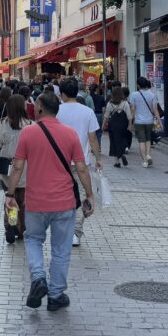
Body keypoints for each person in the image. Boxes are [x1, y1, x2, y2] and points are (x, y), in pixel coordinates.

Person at [4, 91, 95, 312]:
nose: (33, 108)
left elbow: (17, 166)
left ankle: (38, 278)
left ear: (41, 108)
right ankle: (55, 295)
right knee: (61, 249)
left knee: (33, 239)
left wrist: (10, 194)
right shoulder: (70, 134)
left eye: (35, 105)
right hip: (64, 202)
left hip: (36, 202)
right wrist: (89, 194)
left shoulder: (28, 133)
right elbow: (81, 168)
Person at [56, 78, 102, 246]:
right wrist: (98, 158)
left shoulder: (56, 111)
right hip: (81, 161)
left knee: (61, 195)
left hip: (59, 162)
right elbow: (93, 138)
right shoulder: (87, 112)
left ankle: (63, 230)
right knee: (82, 195)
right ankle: (75, 232)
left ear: (62, 94)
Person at [0, 94, 31, 243]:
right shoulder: (30, 124)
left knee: (10, 196)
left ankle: (11, 224)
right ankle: (22, 228)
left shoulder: (3, 123)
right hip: (25, 166)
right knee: (23, 199)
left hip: (6, 164)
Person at [131, 77, 163, 167]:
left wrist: (131, 121)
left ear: (138, 85)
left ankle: (145, 161)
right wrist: (160, 122)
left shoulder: (134, 95)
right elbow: (155, 110)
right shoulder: (152, 95)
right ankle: (148, 154)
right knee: (148, 139)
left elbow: (133, 110)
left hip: (139, 121)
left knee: (141, 141)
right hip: (149, 121)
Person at [104, 86, 133, 167]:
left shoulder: (110, 103)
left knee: (113, 141)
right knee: (122, 139)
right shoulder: (125, 103)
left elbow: (106, 115)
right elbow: (129, 116)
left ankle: (117, 161)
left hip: (113, 124)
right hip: (123, 124)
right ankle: (122, 153)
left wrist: (103, 124)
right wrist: (130, 125)